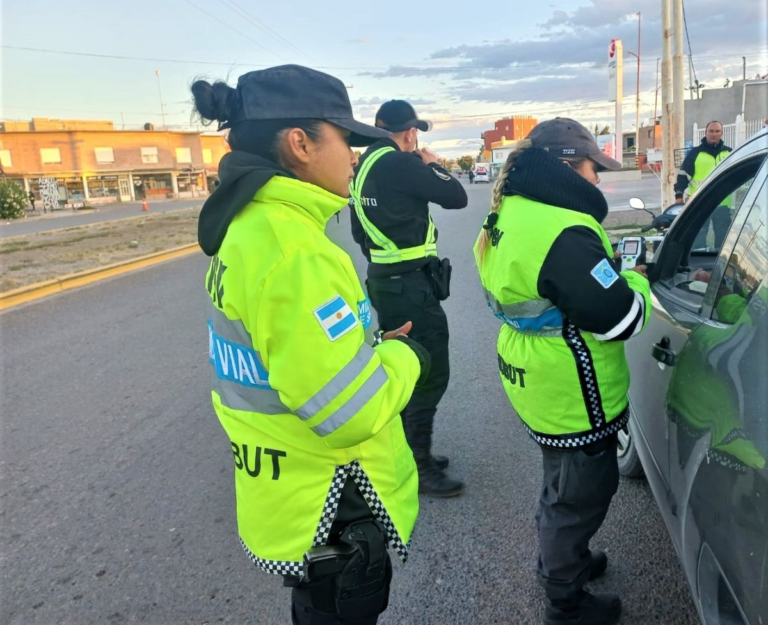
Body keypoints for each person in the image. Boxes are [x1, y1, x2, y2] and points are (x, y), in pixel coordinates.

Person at [192, 65, 430, 625]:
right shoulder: (294, 250)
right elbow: (351, 411)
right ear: (300, 144)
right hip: (333, 499)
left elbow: (288, 356)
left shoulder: (249, 227)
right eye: (344, 139)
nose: (353, 155)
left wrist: (366, 348)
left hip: (284, 487)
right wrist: (404, 357)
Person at [473, 118, 651, 625]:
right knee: (579, 497)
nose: (599, 181)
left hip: (534, 375)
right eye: (595, 169)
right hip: (570, 386)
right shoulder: (564, 230)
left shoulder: (512, 210)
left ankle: (562, 560)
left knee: (561, 481)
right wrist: (636, 282)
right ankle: (564, 599)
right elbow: (621, 319)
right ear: (569, 166)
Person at [350, 99, 468, 497]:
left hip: (385, 280)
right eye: (415, 131)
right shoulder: (402, 163)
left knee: (403, 365)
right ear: (410, 132)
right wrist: (433, 165)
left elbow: (358, 232)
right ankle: (418, 465)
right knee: (429, 371)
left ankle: (411, 452)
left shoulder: (362, 165)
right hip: (410, 285)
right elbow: (456, 198)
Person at [674, 120, 732, 203]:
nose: (714, 134)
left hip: (724, 203)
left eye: (717, 131)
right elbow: (682, 177)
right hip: (699, 203)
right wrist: (679, 196)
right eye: (711, 131)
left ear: (721, 133)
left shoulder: (729, 153)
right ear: (705, 133)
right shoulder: (694, 153)